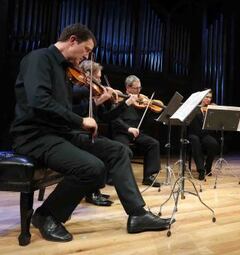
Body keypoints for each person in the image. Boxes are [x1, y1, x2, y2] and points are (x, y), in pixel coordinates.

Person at [10, 23, 171, 242]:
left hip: (61, 133)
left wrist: (95, 105)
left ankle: (138, 215)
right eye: (86, 50)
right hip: (35, 136)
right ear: (72, 40)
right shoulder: (38, 59)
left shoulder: (65, 70)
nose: (87, 56)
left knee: (118, 151)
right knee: (93, 168)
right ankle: (47, 215)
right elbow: (40, 102)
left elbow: (65, 112)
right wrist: (80, 120)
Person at [73, 60, 139, 206]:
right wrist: (99, 100)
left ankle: (96, 190)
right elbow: (73, 112)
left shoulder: (95, 92)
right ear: (87, 76)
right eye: (98, 78)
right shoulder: (76, 89)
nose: (100, 82)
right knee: (116, 151)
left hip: (91, 134)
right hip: (77, 134)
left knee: (122, 151)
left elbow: (106, 117)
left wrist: (124, 104)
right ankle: (92, 192)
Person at [111, 75, 162, 187]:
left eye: (140, 88)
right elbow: (114, 120)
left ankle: (148, 176)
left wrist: (148, 104)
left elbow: (157, 109)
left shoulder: (140, 101)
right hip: (122, 132)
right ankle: (116, 177)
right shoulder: (119, 99)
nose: (138, 91)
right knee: (123, 148)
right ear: (128, 88)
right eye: (136, 88)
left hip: (137, 132)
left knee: (153, 143)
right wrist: (127, 128)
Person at [187, 90, 219, 180]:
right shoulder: (194, 107)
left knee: (213, 143)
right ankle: (201, 170)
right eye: (207, 97)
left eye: (210, 97)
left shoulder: (209, 109)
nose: (209, 99)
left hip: (204, 134)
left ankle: (207, 167)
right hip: (193, 133)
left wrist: (215, 111)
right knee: (195, 141)